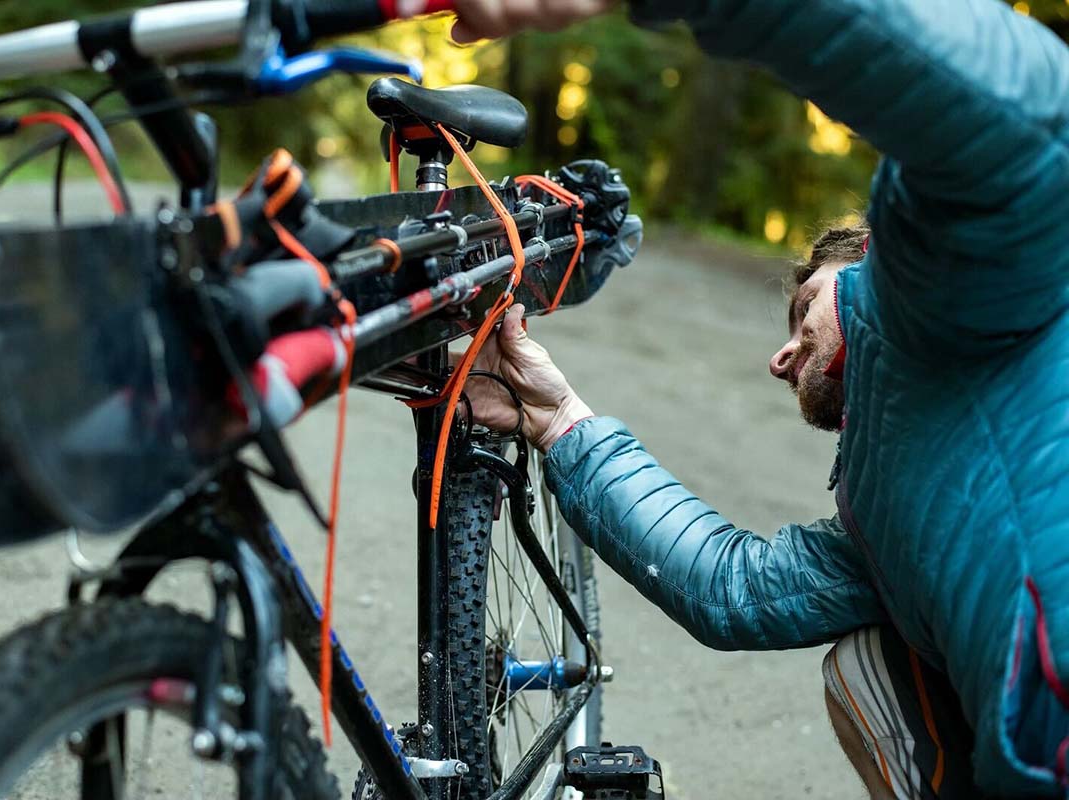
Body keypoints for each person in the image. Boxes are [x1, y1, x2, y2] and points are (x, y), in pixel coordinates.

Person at [450, 0, 1069, 797]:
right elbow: (730, 589)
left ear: (870, 261)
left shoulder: (947, 290)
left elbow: (1017, 118)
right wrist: (559, 420)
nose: (780, 360)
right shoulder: (866, 526)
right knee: (865, 663)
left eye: (799, 307)